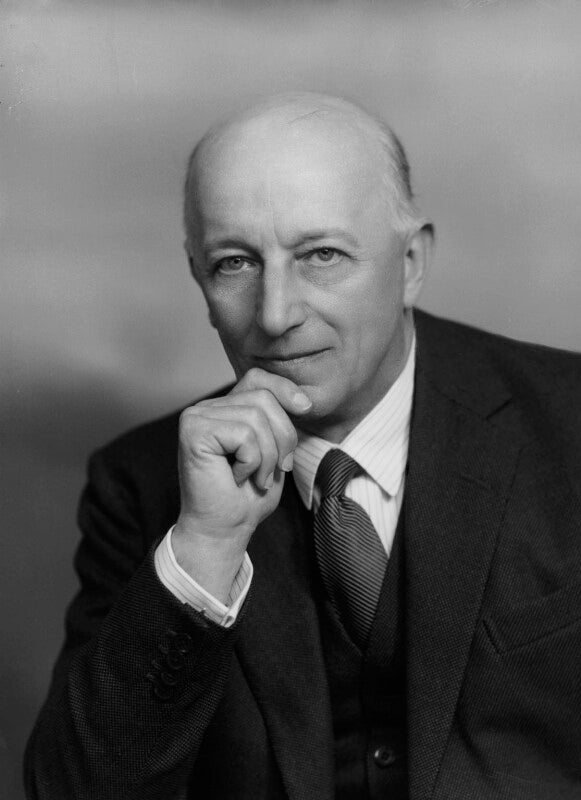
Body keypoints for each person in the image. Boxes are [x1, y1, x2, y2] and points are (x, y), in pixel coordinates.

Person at [25, 92, 581, 800]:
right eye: (235, 263)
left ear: (410, 262)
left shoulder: (568, 421)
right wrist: (206, 546)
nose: (276, 314)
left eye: (321, 255)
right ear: (199, 280)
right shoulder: (138, 484)